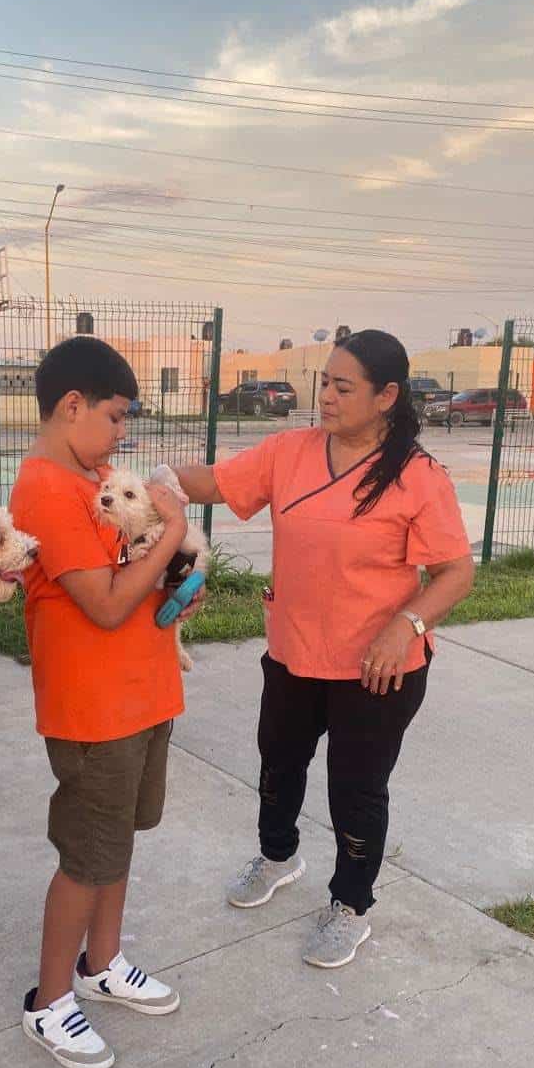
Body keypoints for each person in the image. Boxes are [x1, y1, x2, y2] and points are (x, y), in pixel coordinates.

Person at [172, 329, 474, 970]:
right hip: (293, 652)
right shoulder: (290, 451)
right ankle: (278, 856)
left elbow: (455, 573)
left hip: (377, 668)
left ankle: (351, 904)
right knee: (278, 765)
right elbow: (217, 483)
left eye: (343, 386)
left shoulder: (419, 477)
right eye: (324, 384)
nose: (327, 397)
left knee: (356, 790)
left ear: (387, 396)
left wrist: (407, 627)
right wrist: (152, 481)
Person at [9, 335, 199, 1068]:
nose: (123, 435)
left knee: (120, 838)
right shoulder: (48, 490)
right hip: (93, 707)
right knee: (87, 857)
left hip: (145, 692)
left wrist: (179, 575)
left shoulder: (99, 479)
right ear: (72, 406)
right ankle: (50, 1000)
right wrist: (173, 535)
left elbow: (141, 575)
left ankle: (104, 962)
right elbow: (109, 603)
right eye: (117, 418)